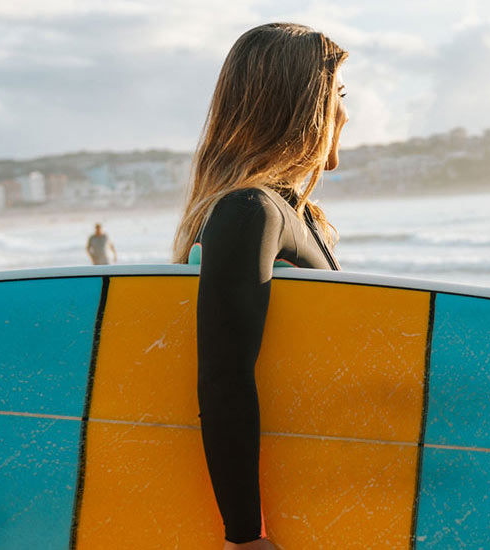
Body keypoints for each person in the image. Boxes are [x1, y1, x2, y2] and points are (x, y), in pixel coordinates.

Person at [169, 22, 347, 549]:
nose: (346, 113)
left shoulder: (296, 217)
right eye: (338, 95)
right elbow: (224, 376)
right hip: (273, 519)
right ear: (304, 108)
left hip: (318, 490)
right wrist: (246, 536)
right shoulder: (250, 212)